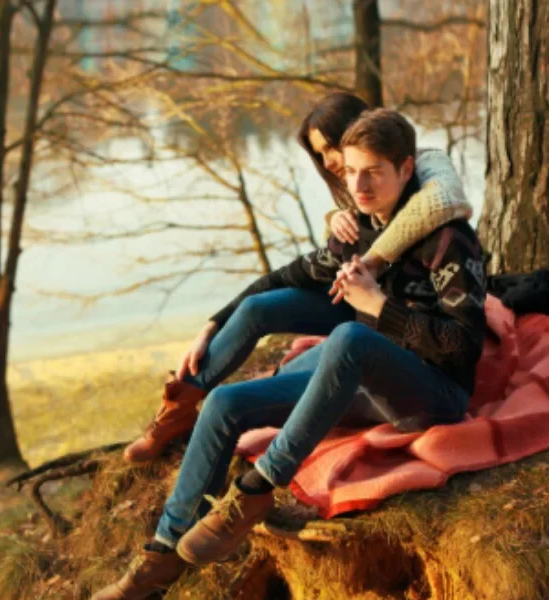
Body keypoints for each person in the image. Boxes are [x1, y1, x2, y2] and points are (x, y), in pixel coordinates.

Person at [91, 109, 487, 600]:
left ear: (406, 169)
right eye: (351, 171)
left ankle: (258, 488)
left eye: (374, 173)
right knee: (224, 404)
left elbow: (464, 346)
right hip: (360, 381)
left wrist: (380, 309)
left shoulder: (448, 239)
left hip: (432, 393)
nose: (359, 186)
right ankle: (158, 561)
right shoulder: (358, 229)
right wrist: (217, 319)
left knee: (349, 337)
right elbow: (287, 279)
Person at [122, 92, 473, 465]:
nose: (328, 163)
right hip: (353, 299)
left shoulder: (426, 166)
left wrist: (370, 257)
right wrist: (213, 322)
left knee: (295, 360)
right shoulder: (359, 201)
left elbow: (442, 201)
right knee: (258, 307)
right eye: (320, 154)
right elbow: (291, 273)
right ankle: (178, 409)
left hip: (385, 316)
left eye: (330, 149)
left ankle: (258, 455)